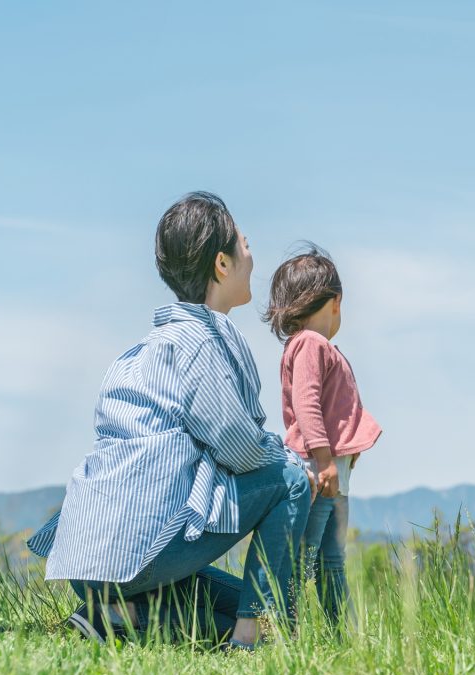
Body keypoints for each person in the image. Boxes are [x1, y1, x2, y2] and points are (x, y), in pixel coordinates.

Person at [26, 192, 314, 649]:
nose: (251, 252)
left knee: (240, 599)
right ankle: (251, 638)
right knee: (292, 479)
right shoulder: (200, 344)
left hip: (88, 561)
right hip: (139, 555)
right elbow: (241, 448)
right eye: (244, 241)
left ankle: (120, 615)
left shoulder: (139, 351)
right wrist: (292, 455)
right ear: (222, 264)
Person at [264, 244, 382, 631]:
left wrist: (344, 455)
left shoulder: (310, 346)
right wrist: (327, 459)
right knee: (309, 555)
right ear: (335, 301)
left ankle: (339, 635)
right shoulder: (312, 344)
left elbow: (330, 407)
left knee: (328, 558)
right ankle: (289, 630)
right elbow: (307, 404)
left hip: (334, 470)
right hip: (321, 470)